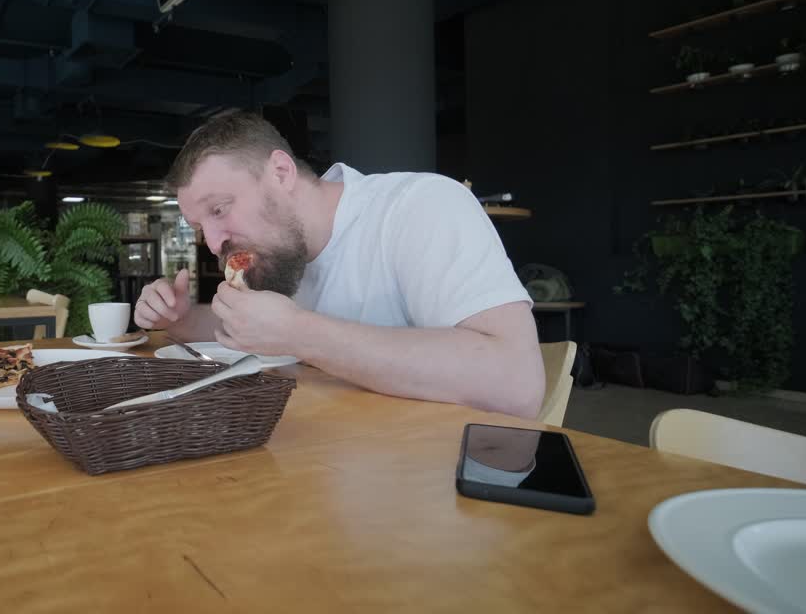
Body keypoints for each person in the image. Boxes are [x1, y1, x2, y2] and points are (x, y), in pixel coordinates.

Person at [135, 111, 544, 419]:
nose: (212, 243)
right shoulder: (282, 252)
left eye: (219, 209)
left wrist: (299, 332)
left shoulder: (422, 206)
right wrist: (181, 318)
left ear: (281, 172)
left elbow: (517, 384)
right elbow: (251, 327)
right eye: (199, 229)